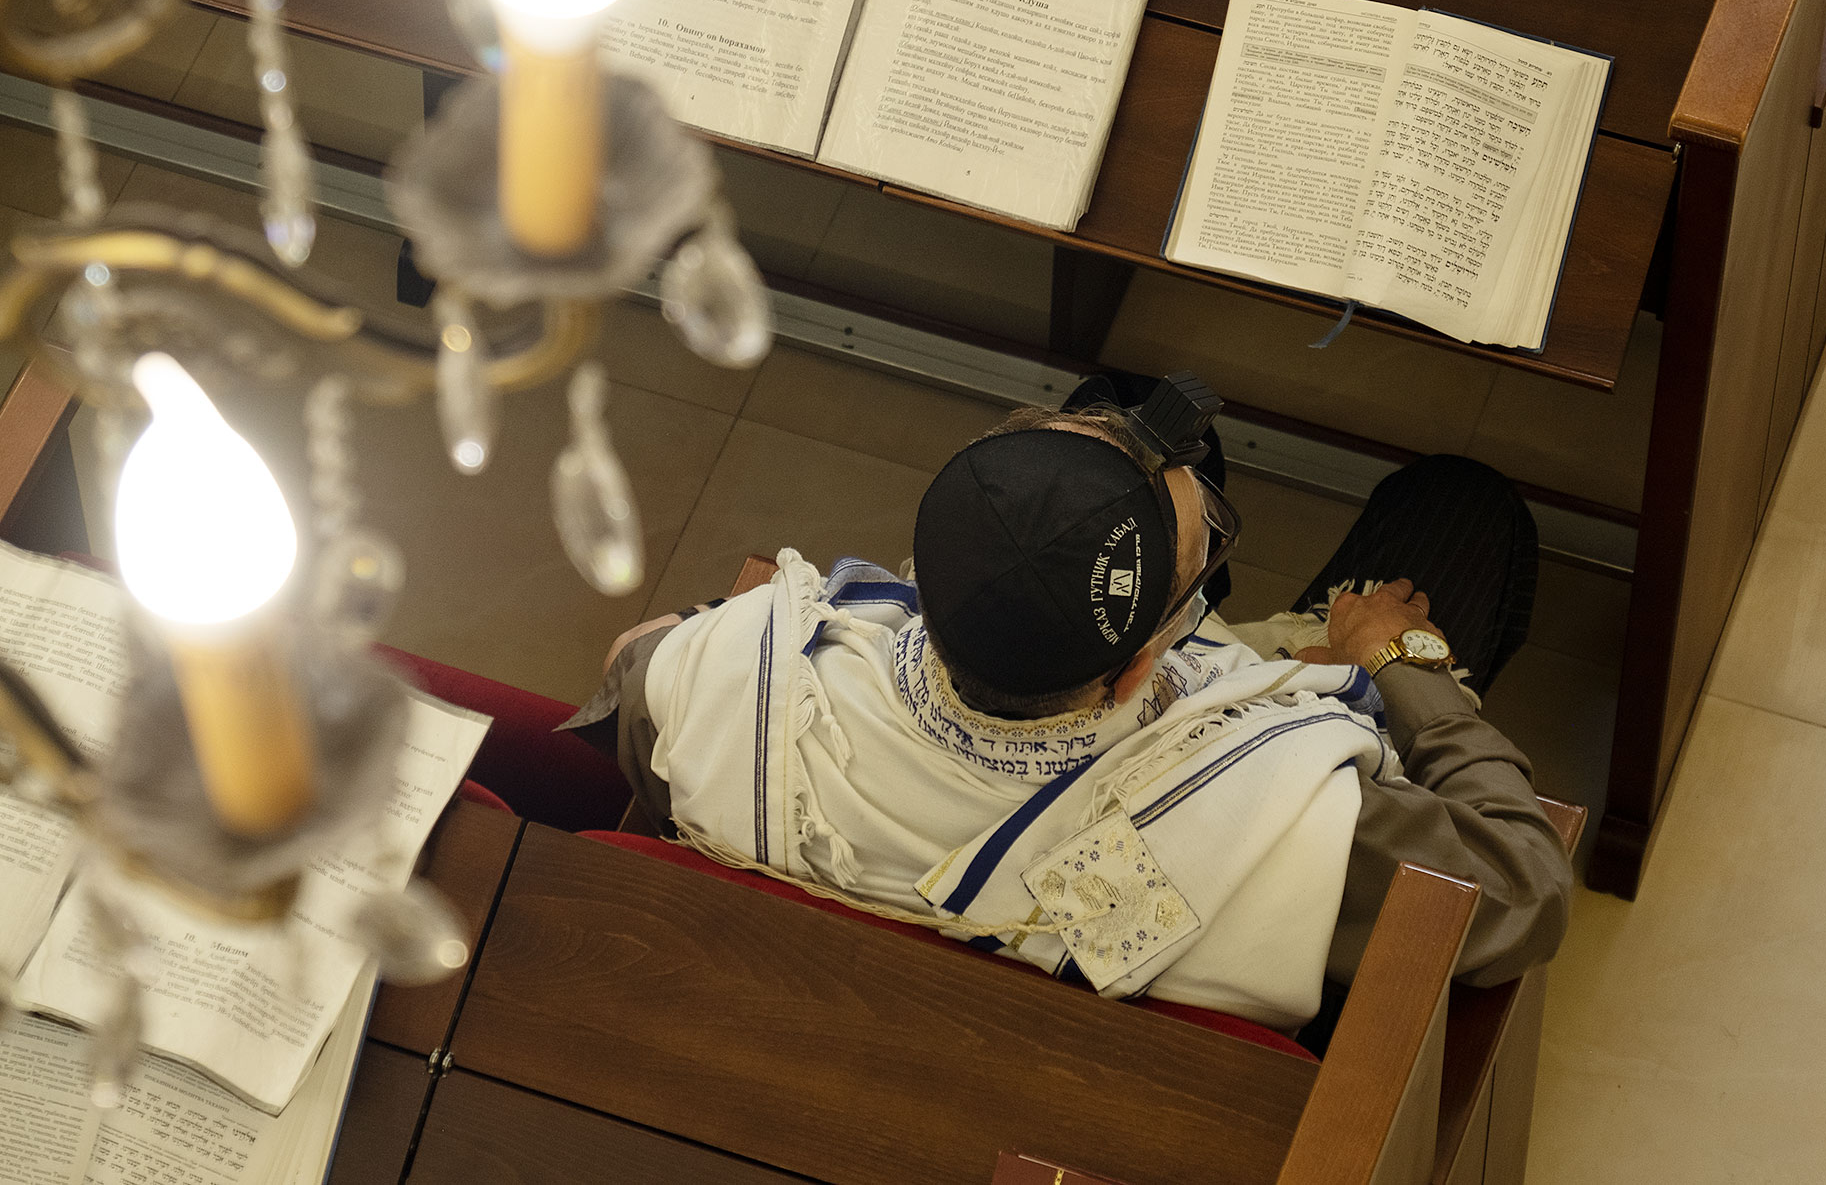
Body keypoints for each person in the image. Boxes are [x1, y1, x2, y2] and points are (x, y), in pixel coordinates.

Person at [566, 372, 1571, 1035]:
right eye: (1199, 565)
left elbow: (630, 664)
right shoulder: (1295, 829)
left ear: (923, 583)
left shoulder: (725, 682)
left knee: (1118, 386)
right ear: (1138, 671)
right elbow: (1525, 891)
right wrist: (1397, 656)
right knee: (1461, 508)